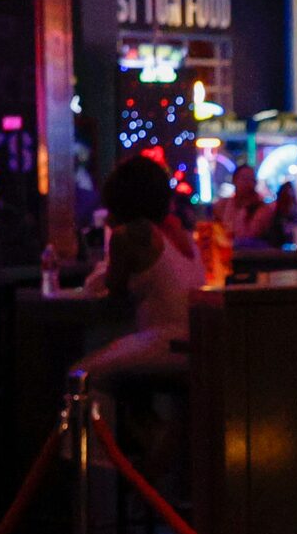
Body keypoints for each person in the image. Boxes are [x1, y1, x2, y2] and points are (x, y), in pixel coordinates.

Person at [76, 154, 203, 381]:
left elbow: (111, 290)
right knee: (127, 376)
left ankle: (103, 416)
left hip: (164, 343)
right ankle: (144, 416)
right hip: (196, 342)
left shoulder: (130, 235)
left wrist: (112, 237)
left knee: (81, 375)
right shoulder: (179, 233)